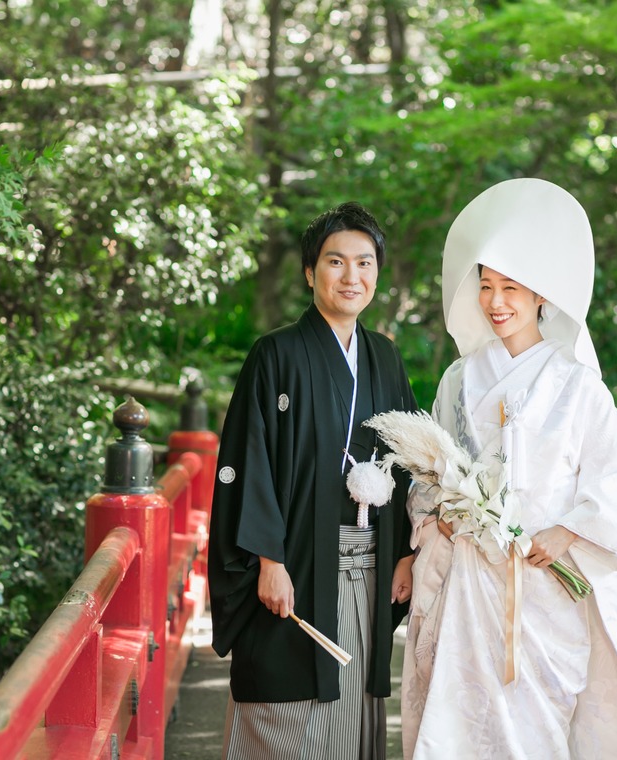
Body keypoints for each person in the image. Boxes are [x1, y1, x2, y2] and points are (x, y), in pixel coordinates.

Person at [400, 178, 617, 759]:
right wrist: (444, 515)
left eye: (511, 286)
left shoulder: (577, 385)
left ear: (542, 295)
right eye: (485, 286)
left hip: (543, 585)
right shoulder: (460, 379)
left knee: (537, 726)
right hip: (469, 582)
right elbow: (430, 474)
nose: (495, 301)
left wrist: (567, 532)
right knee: (458, 719)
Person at [208, 201, 418, 759]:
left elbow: (409, 458)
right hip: (294, 563)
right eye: (335, 262)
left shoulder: (384, 359)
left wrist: (405, 554)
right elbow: (247, 465)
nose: (352, 277)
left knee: (354, 702)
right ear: (309, 272)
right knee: (285, 701)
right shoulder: (274, 355)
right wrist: (268, 561)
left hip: (370, 565)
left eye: (365, 263)